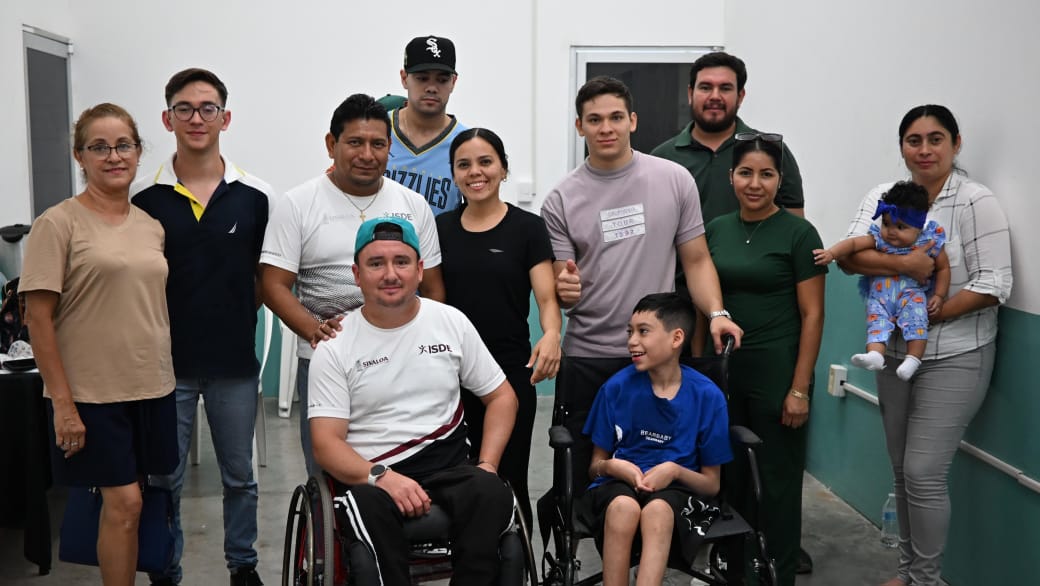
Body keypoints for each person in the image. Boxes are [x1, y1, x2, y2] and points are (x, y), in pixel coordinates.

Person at [540, 76, 742, 500]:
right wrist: (566, 289)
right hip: (590, 355)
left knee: (662, 473)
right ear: (579, 126)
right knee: (588, 478)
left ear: (632, 120)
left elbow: (697, 260)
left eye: (616, 117)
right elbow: (562, 281)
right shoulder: (560, 199)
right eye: (594, 119)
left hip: (660, 355)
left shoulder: (674, 180)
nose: (606, 128)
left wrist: (717, 314)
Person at [837, 105, 1012, 586]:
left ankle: (926, 580)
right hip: (893, 356)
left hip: (958, 354)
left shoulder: (975, 201)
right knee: (901, 469)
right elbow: (850, 257)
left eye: (936, 139)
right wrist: (908, 267)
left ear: (956, 144)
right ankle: (907, 573)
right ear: (902, 147)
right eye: (914, 140)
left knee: (922, 471)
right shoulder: (883, 195)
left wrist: (929, 314)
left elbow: (995, 283)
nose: (925, 149)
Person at [308, 217, 518, 585]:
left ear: (420, 270)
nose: (390, 274)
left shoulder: (450, 322)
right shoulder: (335, 346)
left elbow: (502, 396)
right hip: (373, 476)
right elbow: (326, 444)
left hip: (450, 467)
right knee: (364, 509)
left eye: (401, 262)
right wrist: (381, 477)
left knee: (490, 493)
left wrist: (487, 464)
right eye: (376, 263)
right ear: (357, 275)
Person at [20, 103, 177, 586]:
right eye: (99, 147)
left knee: (136, 504)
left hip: (152, 386)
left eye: (123, 145)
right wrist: (63, 405)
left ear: (138, 152)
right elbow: (37, 318)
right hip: (92, 394)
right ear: (79, 156)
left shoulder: (150, 225)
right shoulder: (57, 223)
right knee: (125, 503)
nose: (114, 156)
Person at [131, 68, 271, 586]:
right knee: (163, 479)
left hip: (233, 363)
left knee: (240, 477)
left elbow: (265, 278)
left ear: (225, 118)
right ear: (167, 118)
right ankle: (165, 570)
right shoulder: (144, 199)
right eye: (184, 109)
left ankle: (243, 566)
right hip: (165, 368)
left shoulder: (255, 196)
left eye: (208, 108)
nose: (196, 118)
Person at [261, 94, 445, 477]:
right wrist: (316, 331)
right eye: (355, 142)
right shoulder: (298, 204)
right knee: (328, 471)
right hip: (326, 361)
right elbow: (273, 284)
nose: (367, 154)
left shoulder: (413, 205)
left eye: (378, 144)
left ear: (390, 148)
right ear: (332, 144)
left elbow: (433, 289)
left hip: (403, 360)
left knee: (409, 467)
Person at [701, 133, 826, 586]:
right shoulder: (717, 229)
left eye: (766, 174)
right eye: (746, 173)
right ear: (731, 177)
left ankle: (778, 575)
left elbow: (813, 315)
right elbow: (704, 302)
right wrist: (699, 372)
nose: (755, 184)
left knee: (776, 482)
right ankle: (734, 572)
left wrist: (800, 388)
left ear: (780, 179)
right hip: (725, 373)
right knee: (728, 476)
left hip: (778, 372)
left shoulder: (799, 234)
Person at [436, 127, 561, 529]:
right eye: (464, 165)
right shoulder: (439, 229)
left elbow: (546, 299)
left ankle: (517, 559)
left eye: (486, 162)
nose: (475, 172)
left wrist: (552, 335)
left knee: (508, 478)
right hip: (449, 373)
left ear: (504, 169)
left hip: (509, 372)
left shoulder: (528, 228)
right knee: (455, 481)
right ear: (454, 174)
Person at [584, 293, 732, 586]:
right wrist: (612, 467)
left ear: (676, 338)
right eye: (630, 332)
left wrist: (675, 471)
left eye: (643, 331)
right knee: (623, 508)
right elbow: (594, 467)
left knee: (658, 511)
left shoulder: (707, 397)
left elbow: (712, 484)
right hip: (618, 486)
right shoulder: (615, 389)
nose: (632, 341)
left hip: (679, 493)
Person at [813, 181, 950, 382]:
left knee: (917, 322)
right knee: (876, 323)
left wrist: (939, 295)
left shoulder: (928, 241)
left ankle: (913, 359)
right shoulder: (880, 239)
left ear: (919, 227)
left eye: (901, 226)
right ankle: (875, 355)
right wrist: (831, 253)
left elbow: (943, 268)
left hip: (911, 295)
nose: (891, 231)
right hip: (880, 297)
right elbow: (853, 244)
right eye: (886, 223)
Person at [651, 51, 804, 223]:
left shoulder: (772, 150)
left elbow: (795, 229)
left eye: (725, 88)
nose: (715, 96)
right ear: (690, 93)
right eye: (705, 87)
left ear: (740, 96)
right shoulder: (662, 158)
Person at [384, 35, 468, 215]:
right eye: (422, 78)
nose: (432, 87)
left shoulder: (465, 144)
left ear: (453, 82)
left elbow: (478, 216)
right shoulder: (377, 130)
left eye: (442, 80)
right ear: (404, 78)